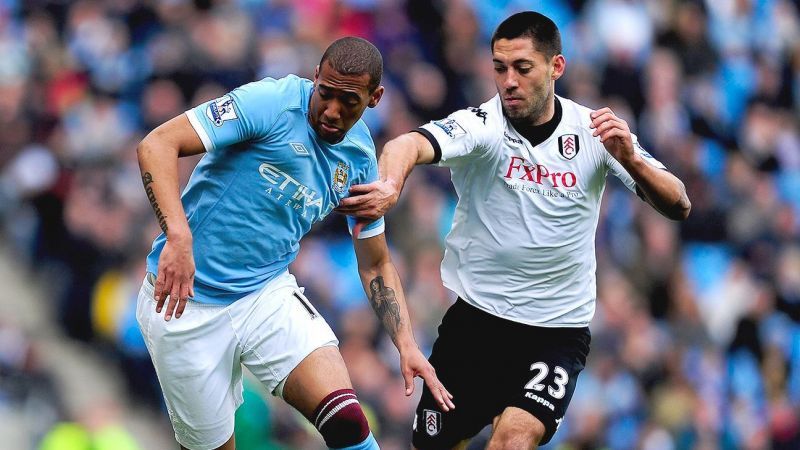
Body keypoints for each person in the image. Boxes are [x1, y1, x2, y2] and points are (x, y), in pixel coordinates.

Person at [336, 12, 691, 450]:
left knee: (512, 441)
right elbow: (405, 144)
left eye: (523, 68)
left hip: (557, 331)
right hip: (477, 323)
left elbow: (679, 203)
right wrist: (390, 185)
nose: (508, 81)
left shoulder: (595, 132)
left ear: (555, 67)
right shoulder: (482, 126)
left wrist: (633, 160)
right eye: (499, 67)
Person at [135, 36, 454, 450]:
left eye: (350, 101)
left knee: (348, 423)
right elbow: (156, 144)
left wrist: (407, 343)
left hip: (265, 295)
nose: (333, 111)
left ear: (374, 99)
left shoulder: (359, 160)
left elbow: (375, 264)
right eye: (326, 94)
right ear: (315, 77)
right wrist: (178, 237)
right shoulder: (270, 103)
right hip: (183, 302)